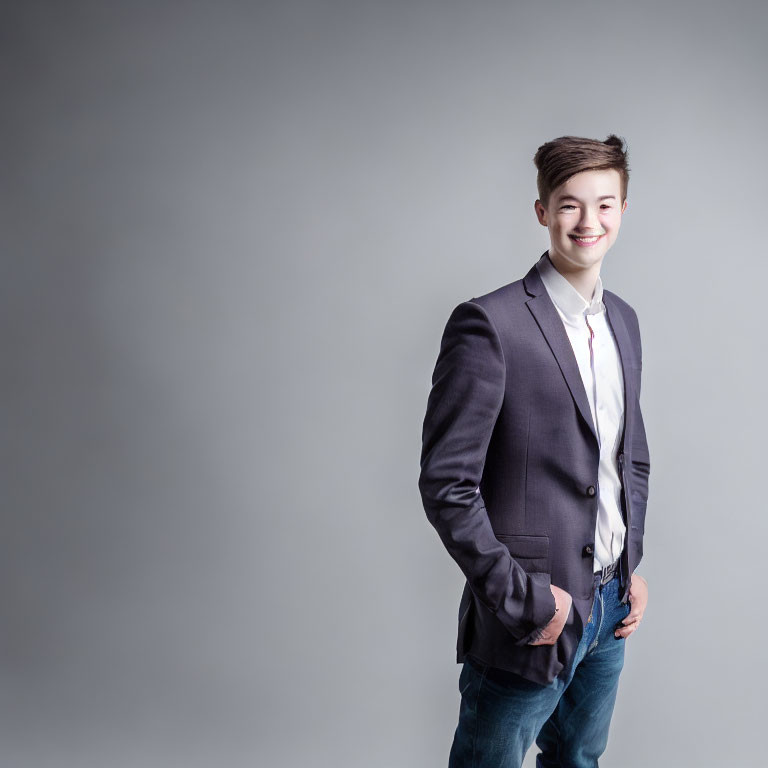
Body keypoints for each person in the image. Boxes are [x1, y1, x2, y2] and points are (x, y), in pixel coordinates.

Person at [418, 134, 651, 767]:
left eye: (605, 205)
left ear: (624, 210)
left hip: (609, 610)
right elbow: (447, 485)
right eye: (570, 204)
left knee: (578, 762)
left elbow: (629, 458)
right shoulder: (489, 325)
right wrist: (526, 599)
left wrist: (627, 562)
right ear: (542, 211)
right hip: (532, 614)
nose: (588, 221)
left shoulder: (623, 320)